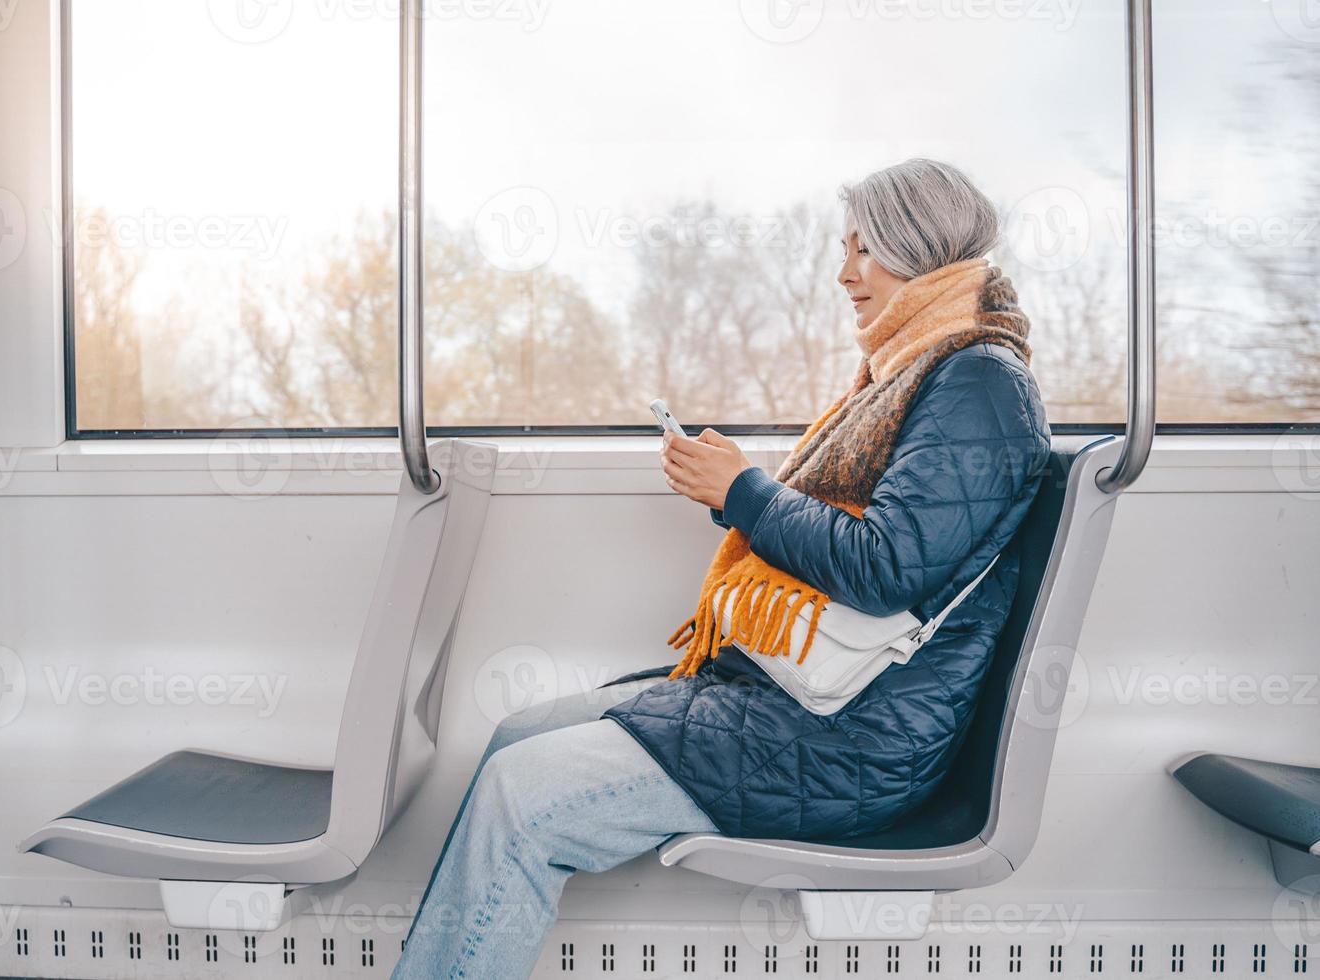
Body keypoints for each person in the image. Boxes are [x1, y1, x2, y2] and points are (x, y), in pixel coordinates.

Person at [392, 157, 1052, 979]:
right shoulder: (924, 367)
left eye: (864, 251)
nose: (844, 273)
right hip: (803, 700)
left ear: (918, 251)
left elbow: (888, 569)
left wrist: (744, 493)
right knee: (514, 734)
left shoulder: (977, 381)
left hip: (851, 737)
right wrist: (736, 493)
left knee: (521, 797)